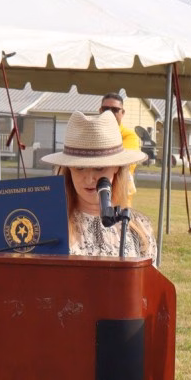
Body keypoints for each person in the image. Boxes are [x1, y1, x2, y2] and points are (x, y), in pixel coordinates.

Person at [41, 110, 155, 259]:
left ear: (117, 167)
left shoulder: (139, 228)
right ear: (68, 168)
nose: (89, 179)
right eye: (79, 168)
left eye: (99, 168)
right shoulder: (49, 227)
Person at [100, 92, 142, 193]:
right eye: (106, 109)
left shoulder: (129, 136)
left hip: (119, 196)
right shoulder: (90, 134)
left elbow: (122, 162)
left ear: (122, 113)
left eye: (115, 110)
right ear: (100, 111)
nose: (109, 113)